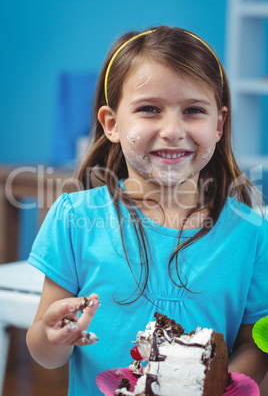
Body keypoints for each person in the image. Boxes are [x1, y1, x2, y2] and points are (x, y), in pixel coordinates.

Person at [26, 26, 268, 395]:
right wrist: (53, 337)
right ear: (112, 124)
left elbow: (256, 345)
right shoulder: (75, 217)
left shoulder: (251, 233)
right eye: (150, 109)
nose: (172, 129)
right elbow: (45, 353)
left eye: (193, 111)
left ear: (218, 125)